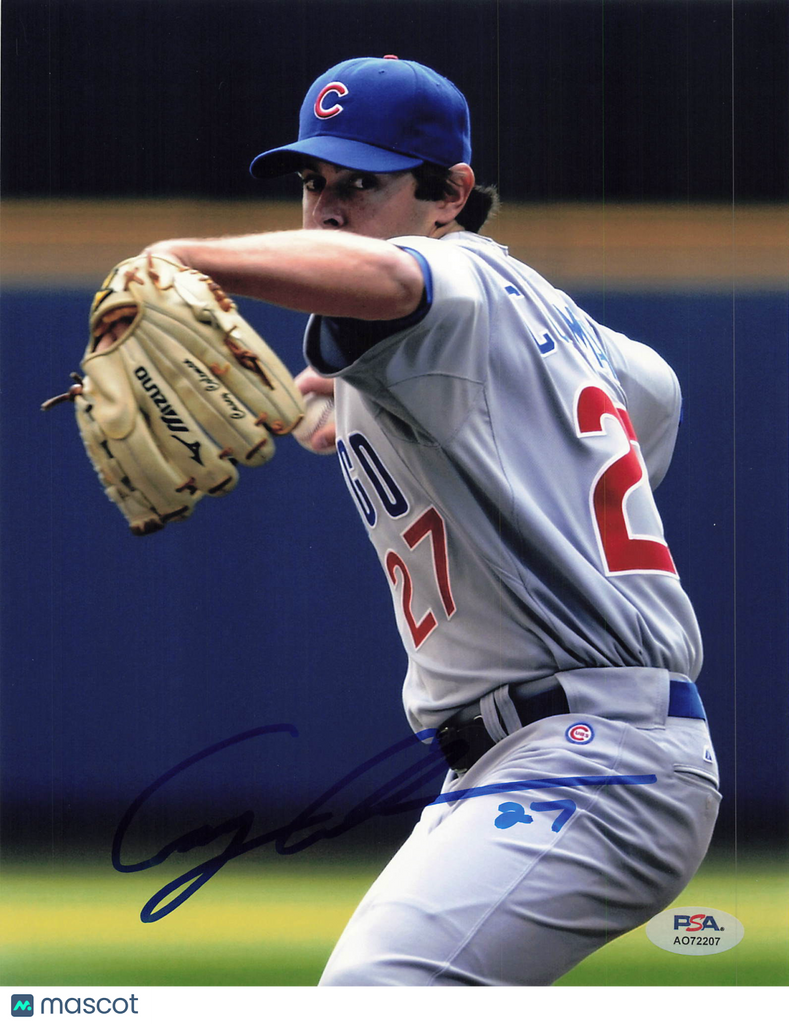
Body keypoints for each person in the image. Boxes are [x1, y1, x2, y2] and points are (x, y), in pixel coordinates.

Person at [140, 56, 720, 989]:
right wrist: (368, 395)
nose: (326, 209)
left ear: (449, 194)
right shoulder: (567, 331)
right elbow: (654, 392)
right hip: (536, 755)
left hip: (591, 753)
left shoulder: (447, 274)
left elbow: (394, 278)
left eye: (360, 185)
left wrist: (180, 257)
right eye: (312, 183)